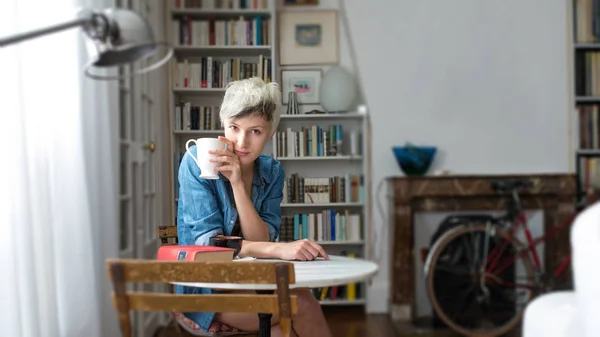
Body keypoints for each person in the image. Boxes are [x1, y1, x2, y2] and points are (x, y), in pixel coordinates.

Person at [175, 77, 332, 337]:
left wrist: (237, 183)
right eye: (234, 127)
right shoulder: (196, 163)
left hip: (253, 282)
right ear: (223, 124)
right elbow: (210, 245)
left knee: (292, 319)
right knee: (300, 306)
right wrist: (280, 249)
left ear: (270, 133)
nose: (241, 142)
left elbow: (259, 238)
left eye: (255, 131)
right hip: (206, 294)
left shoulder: (271, 171)